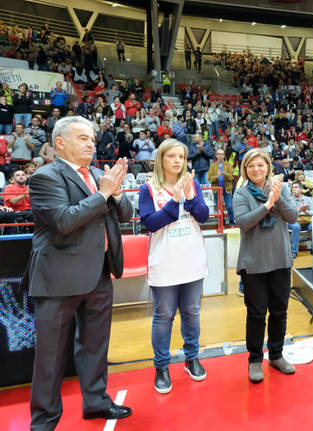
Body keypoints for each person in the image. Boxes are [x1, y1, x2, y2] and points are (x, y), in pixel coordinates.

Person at [26, 116, 133, 429]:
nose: (91, 143)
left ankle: (96, 402)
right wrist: (103, 194)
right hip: (59, 279)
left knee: (95, 345)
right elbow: (63, 221)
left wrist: (114, 193)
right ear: (60, 143)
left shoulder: (100, 175)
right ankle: (44, 421)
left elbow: (125, 215)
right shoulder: (45, 177)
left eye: (92, 138)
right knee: (50, 357)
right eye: (83, 138)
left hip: (99, 272)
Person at [138, 138, 210, 394]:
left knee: (191, 311)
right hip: (165, 262)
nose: (178, 161)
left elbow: (203, 216)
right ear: (161, 159)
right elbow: (151, 223)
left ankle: (192, 358)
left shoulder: (194, 184)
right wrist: (175, 200)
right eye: (172, 156)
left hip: (191, 258)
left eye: (181, 156)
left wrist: (190, 196)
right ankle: (161, 366)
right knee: (164, 315)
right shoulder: (148, 189)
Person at [233, 148, 297, 383]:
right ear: (245, 170)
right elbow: (243, 222)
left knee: (279, 311)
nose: (256, 169)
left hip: (280, 259)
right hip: (254, 263)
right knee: (257, 314)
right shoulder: (241, 193)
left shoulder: (282, 188)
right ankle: (255, 359)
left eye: (260, 165)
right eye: (251, 166)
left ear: (268, 167)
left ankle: (277, 355)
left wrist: (277, 197)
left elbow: (292, 217)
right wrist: (267, 205)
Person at [287, 182, 313, 258]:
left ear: (301, 189)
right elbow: (288, 213)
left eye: (296, 187)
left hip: (306, 221)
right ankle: (294, 252)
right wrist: (298, 211)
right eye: (292, 187)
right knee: (296, 226)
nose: (293, 189)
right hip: (293, 221)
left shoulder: (308, 199)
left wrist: (306, 212)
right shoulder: (289, 199)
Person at [208, 148, 235, 226]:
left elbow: (232, 177)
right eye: (219, 154)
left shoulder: (228, 165)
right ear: (216, 155)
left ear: (224, 156)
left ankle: (232, 222)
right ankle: (222, 223)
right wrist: (217, 176)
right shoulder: (212, 166)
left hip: (227, 189)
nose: (221, 156)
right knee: (219, 208)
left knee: (229, 206)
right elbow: (209, 179)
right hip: (217, 190)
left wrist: (225, 174)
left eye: (222, 154)